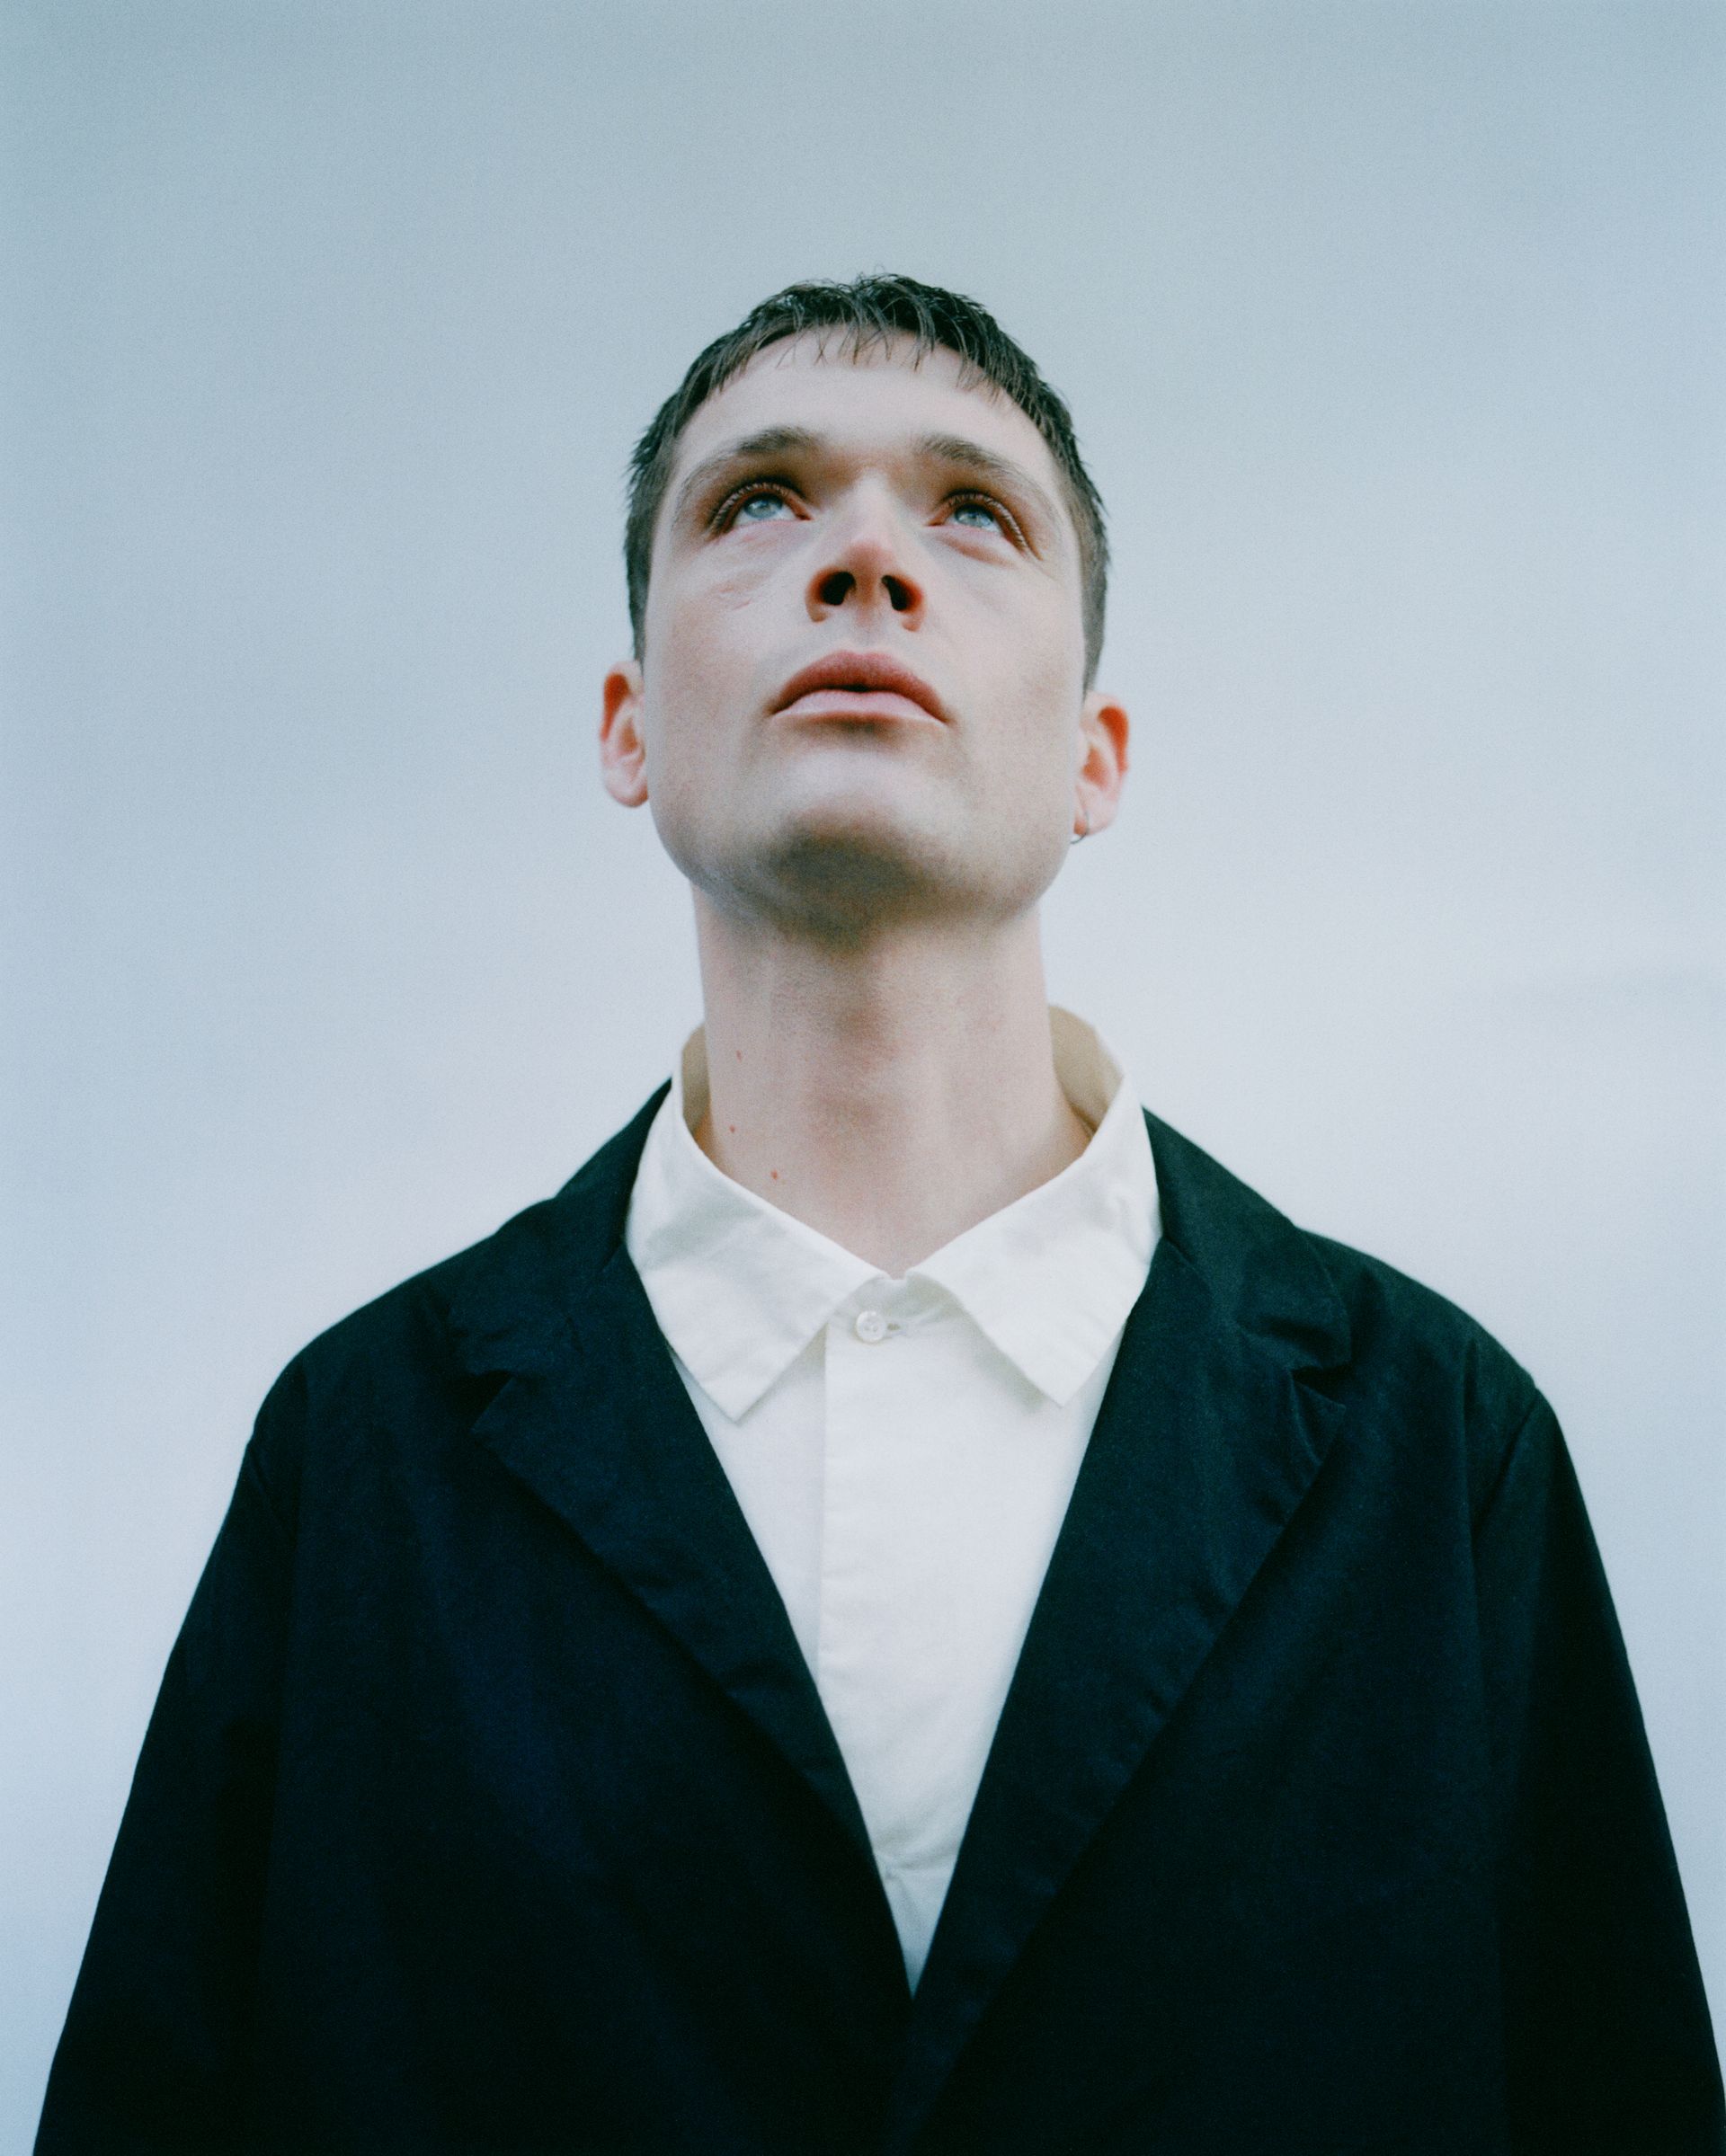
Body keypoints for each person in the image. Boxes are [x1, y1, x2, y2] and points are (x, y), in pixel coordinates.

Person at [37, 273, 1722, 2156]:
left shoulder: (1437, 1453)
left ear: (1094, 757)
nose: (864, 559)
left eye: (973, 511)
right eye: (759, 501)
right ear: (629, 728)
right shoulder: (359, 1453)